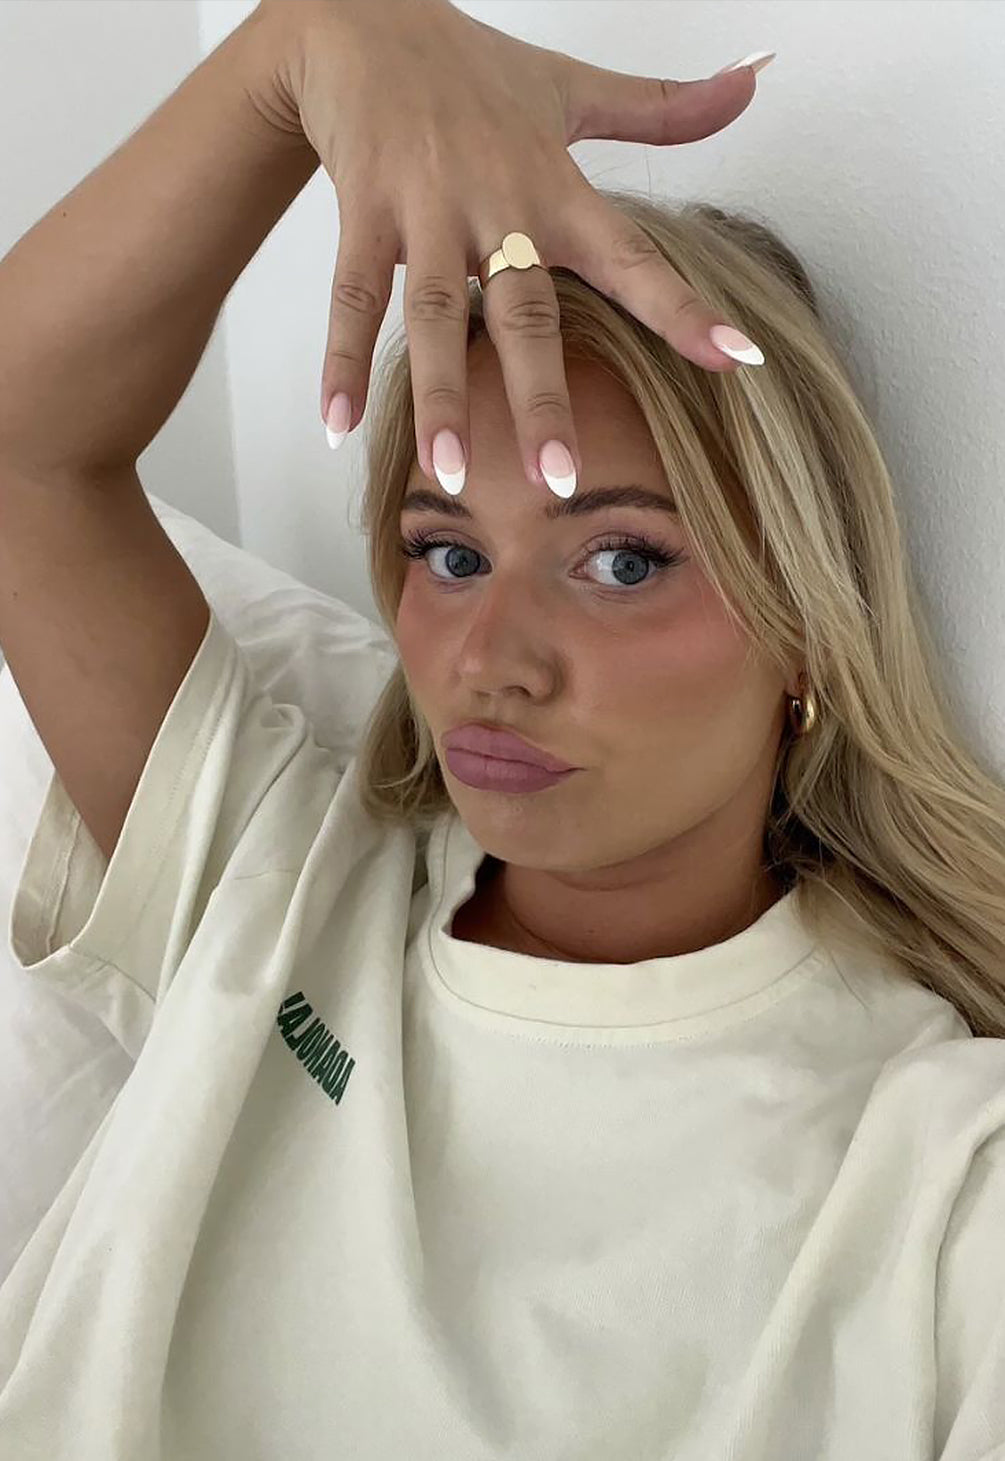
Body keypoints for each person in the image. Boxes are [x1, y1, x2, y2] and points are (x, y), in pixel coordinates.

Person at [0, 1, 1004, 1457]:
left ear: (807, 632)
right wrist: (311, 44)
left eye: (621, 561)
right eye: (449, 552)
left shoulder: (938, 1178)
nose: (487, 663)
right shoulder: (281, 865)